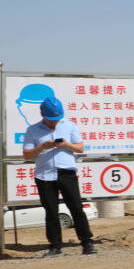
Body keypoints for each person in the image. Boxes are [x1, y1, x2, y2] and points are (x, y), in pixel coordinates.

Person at [21, 97, 96, 257]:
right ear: (43, 115)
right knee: (51, 212)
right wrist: (42, 147)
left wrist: (66, 144)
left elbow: (80, 148)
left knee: (76, 208)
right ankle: (55, 246)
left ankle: (87, 243)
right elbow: (27, 154)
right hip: (44, 176)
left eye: (56, 119)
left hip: (66, 173)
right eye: (51, 119)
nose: (54, 122)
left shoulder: (69, 125)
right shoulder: (32, 130)